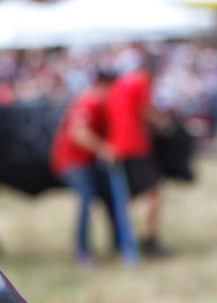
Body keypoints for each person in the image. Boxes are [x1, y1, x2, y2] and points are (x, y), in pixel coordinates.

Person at [105, 48, 170, 258]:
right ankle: (149, 240)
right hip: (135, 146)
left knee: (125, 196)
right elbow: (146, 110)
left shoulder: (118, 85)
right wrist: (164, 124)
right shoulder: (140, 82)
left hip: (118, 146)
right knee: (153, 194)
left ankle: (122, 239)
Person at [50, 70, 117, 264]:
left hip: (86, 162)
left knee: (106, 197)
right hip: (73, 162)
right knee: (85, 200)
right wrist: (104, 148)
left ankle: (116, 243)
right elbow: (78, 134)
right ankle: (82, 251)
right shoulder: (90, 101)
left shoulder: (96, 102)